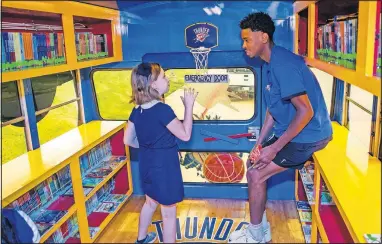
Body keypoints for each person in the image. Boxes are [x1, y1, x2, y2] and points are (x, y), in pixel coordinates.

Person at [228, 12, 333, 243]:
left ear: (263, 37)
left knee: (255, 175)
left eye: (247, 39)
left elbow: (306, 112)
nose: (243, 45)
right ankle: (261, 225)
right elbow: (273, 110)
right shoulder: (270, 64)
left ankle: (255, 235)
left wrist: (273, 149)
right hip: (294, 130)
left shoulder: (283, 65)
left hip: (309, 134)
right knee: (253, 162)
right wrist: (259, 144)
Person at [123, 62, 198, 243]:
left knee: (150, 202)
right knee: (169, 213)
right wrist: (189, 106)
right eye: (164, 76)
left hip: (147, 164)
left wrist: (149, 147)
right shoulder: (162, 110)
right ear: (153, 84)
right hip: (164, 167)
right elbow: (185, 135)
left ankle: (141, 239)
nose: (168, 79)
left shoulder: (137, 110)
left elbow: (127, 140)